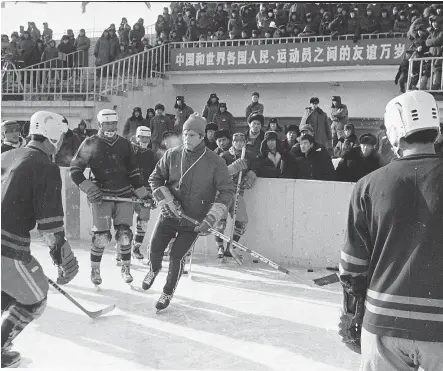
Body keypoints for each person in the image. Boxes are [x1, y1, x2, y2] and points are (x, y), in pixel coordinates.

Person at [339, 91, 443, 370]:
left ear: (395, 131)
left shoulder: (367, 185)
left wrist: (351, 313)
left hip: (383, 322)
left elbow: (352, 267)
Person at [1, 111, 79, 368]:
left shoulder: (7, 155)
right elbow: (50, 228)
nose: (61, 145)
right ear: (53, 134)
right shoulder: (45, 166)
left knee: (7, 294)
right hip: (7, 247)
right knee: (35, 299)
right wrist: (64, 261)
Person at [141, 113, 234, 311]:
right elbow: (155, 179)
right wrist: (164, 198)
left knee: (176, 257)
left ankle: (167, 292)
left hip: (193, 220)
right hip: (169, 214)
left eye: (191, 135)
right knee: (154, 249)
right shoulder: (172, 154)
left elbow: (227, 191)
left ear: (202, 137)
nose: (186, 138)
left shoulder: (215, 162)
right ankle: (153, 269)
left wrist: (211, 218)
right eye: (184, 134)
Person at [70, 109, 151, 286]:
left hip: (124, 195)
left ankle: (126, 268)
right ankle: (95, 269)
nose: (111, 127)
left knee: (124, 235)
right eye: (107, 123)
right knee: (102, 237)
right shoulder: (90, 143)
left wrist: (144, 194)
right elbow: (75, 171)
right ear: (99, 124)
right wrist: (89, 188)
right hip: (101, 197)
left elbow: (134, 173)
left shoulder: (124, 144)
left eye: (114, 123)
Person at [217, 132, 259, 259]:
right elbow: (217, 174)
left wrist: (253, 173)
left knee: (241, 221)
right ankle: (220, 246)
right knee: (220, 221)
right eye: (236, 141)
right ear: (232, 142)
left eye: (241, 141)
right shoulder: (224, 155)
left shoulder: (249, 156)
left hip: (238, 192)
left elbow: (258, 167)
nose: (238, 144)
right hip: (223, 193)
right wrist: (230, 170)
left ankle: (231, 247)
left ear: (245, 142)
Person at [130, 126, 158, 261]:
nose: (145, 140)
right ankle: (121, 250)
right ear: (137, 137)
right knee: (124, 222)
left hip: (145, 191)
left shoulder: (152, 154)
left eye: (147, 138)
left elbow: (155, 174)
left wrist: (152, 193)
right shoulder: (130, 151)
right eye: (142, 137)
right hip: (128, 190)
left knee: (144, 221)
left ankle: (136, 247)